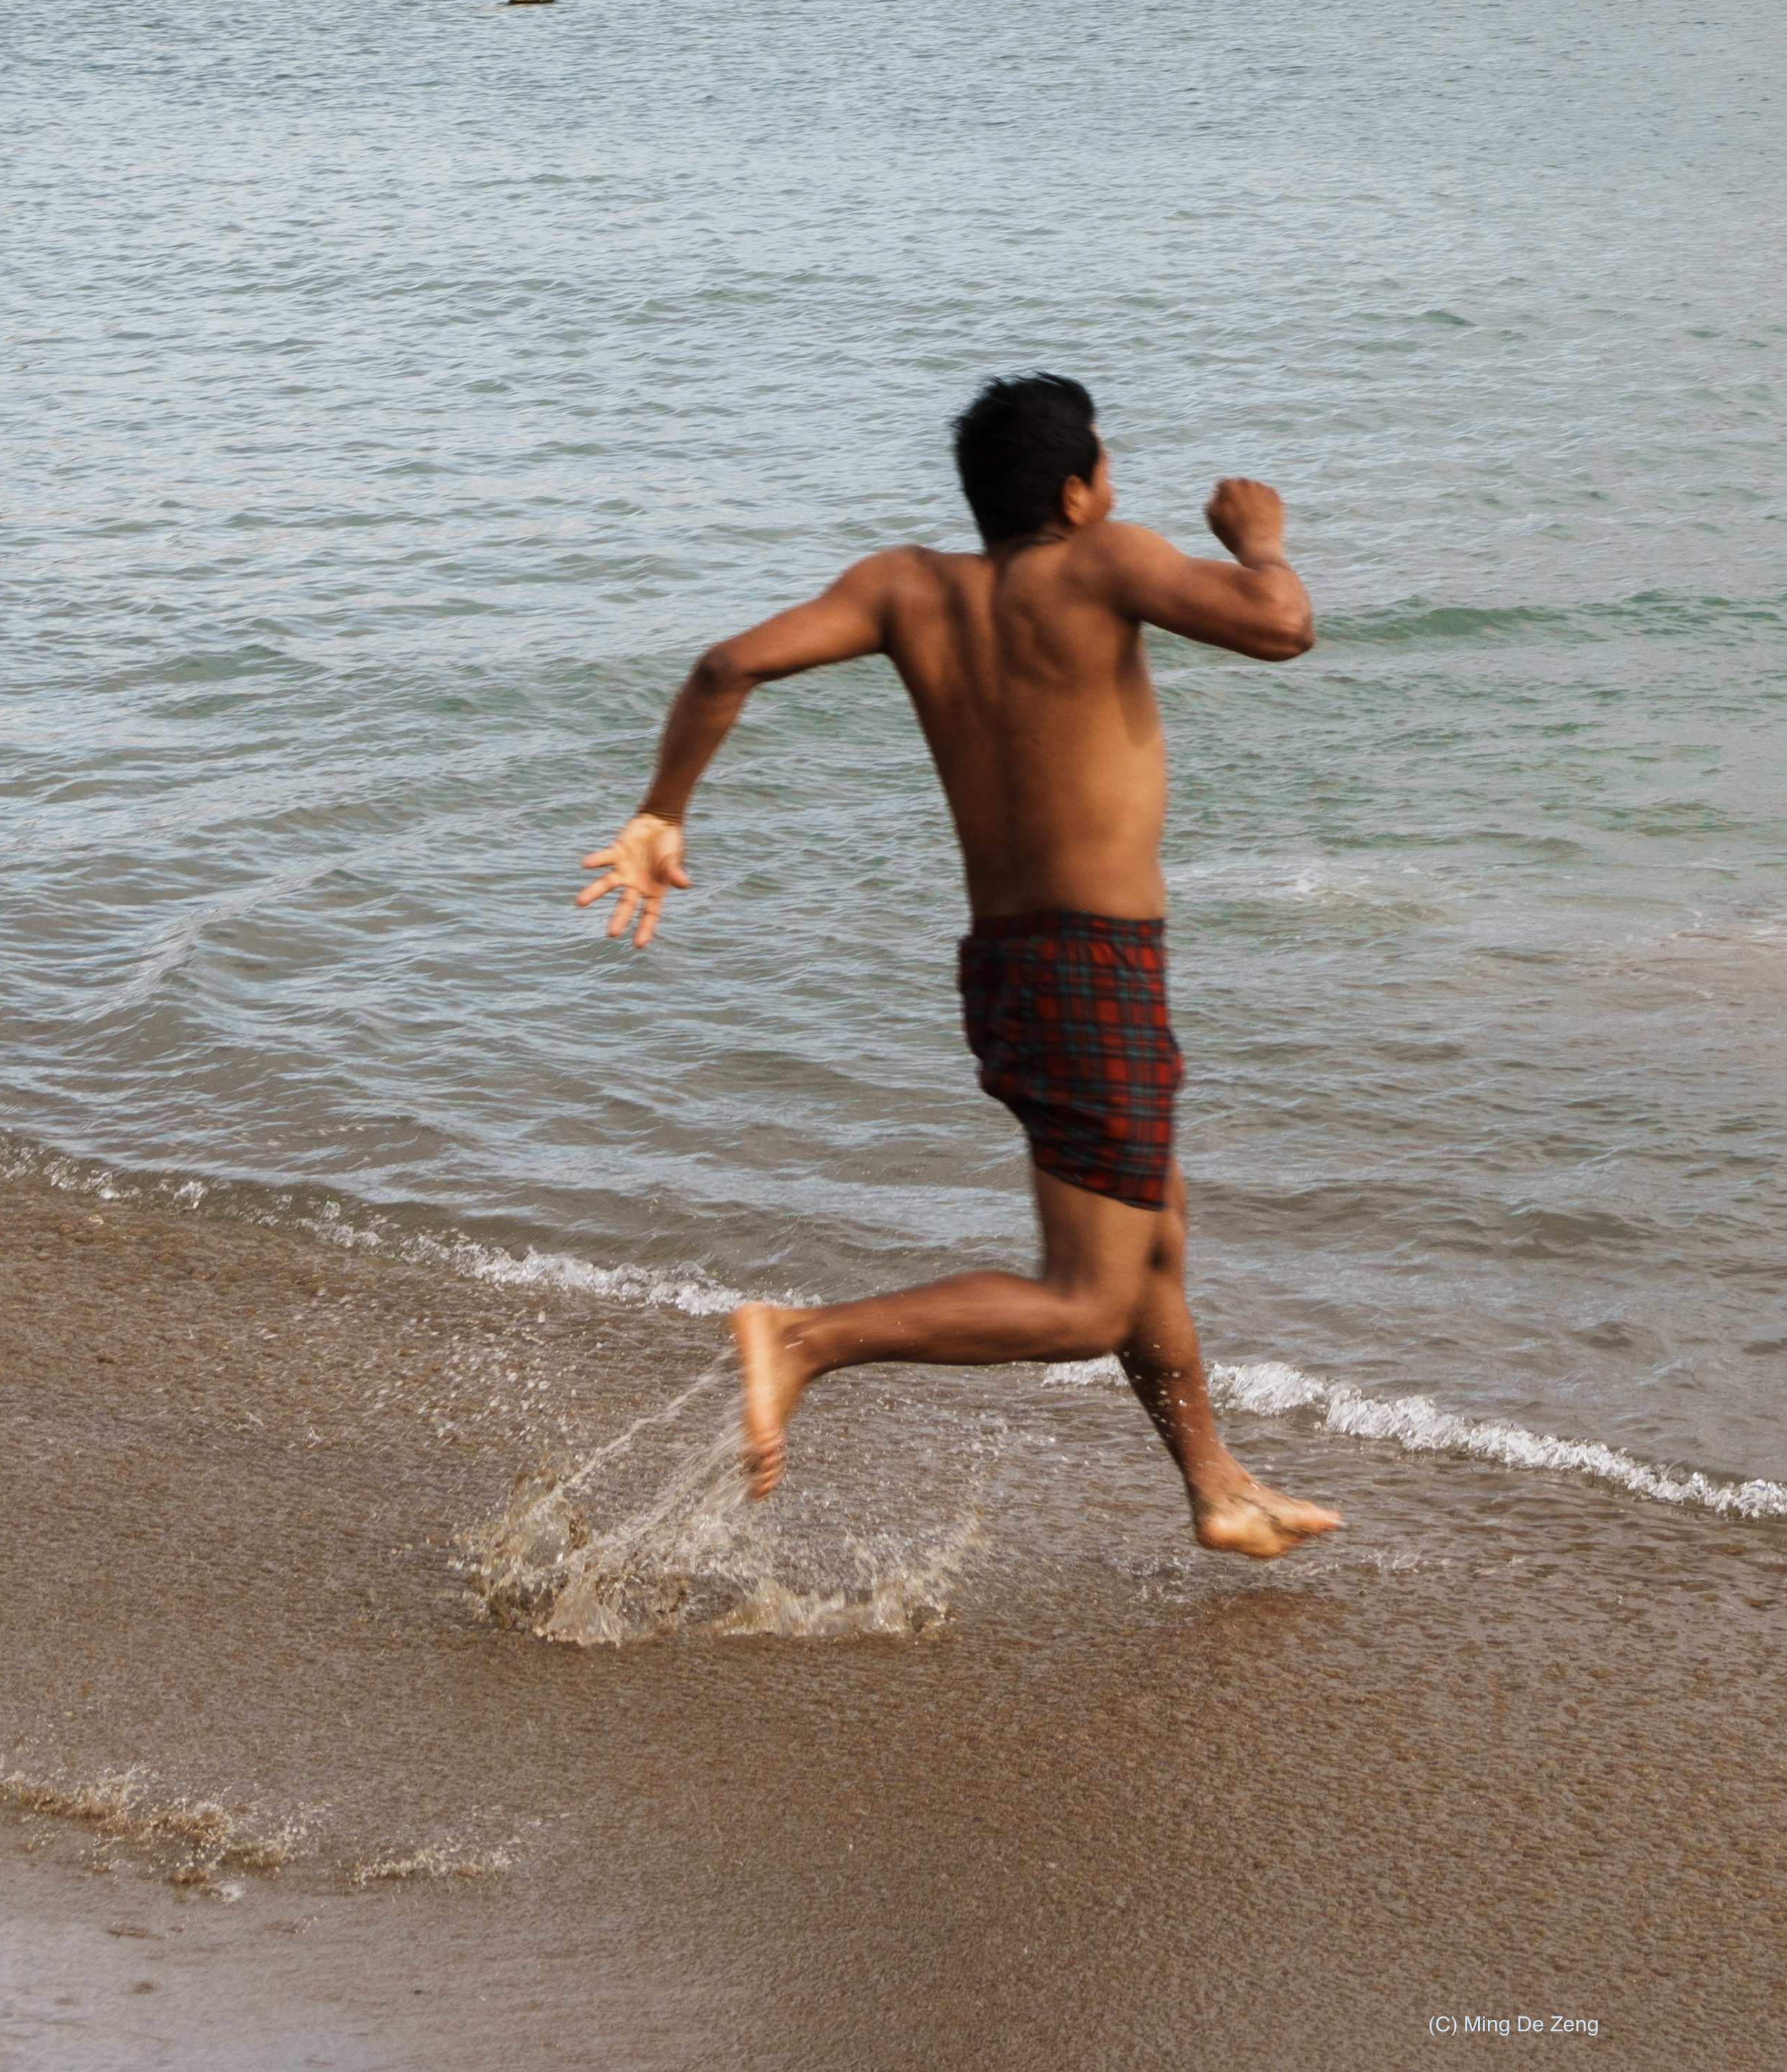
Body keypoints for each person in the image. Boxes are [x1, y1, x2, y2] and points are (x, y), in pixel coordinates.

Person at [577, 374, 1346, 1559]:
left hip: (1007, 965)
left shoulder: (904, 585)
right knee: (1088, 1301)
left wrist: (659, 812)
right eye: (1106, 469)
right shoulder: (1105, 561)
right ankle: (803, 1339)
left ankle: (1217, 1484)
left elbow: (726, 667)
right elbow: (1282, 625)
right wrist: (1262, 541)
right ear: (1080, 491)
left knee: (1156, 1234)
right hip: (1098, 970)